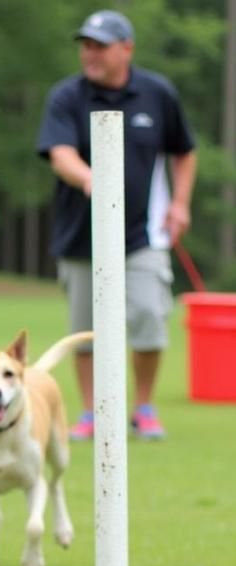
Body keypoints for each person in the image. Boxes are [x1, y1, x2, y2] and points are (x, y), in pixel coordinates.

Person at [37, 10, 197, 440]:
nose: (90, 53)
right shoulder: (66, 96)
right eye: (86, 45)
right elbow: (59, 153)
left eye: (100, 45)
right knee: (85, 332)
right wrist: (91, 178)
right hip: (79, 238)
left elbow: (184, 151)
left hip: (141, 235)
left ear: (126, 48)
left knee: (148, 315)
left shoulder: (157, 93)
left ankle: (143, 407)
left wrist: (180, 203)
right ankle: (92, 413)